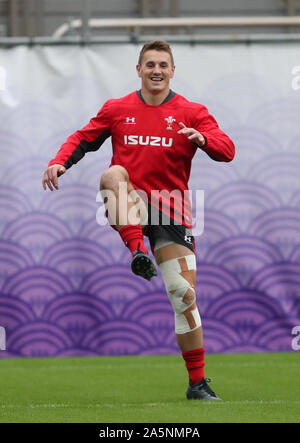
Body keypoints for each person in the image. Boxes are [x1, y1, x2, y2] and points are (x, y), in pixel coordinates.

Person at [42, 40, 235, 401]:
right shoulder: (117, 109)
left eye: (163, 64)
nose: (156, 70)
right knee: (113, 173)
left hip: (173, 209)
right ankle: (137, 251)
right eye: (150, 64)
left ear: (173, 70)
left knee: (185, 297)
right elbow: (83, 139)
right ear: (139, 70)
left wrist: (204, 138)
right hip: (129, 201)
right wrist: (59, 162)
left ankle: (197, 383)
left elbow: (227, 149)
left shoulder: (192, 112)